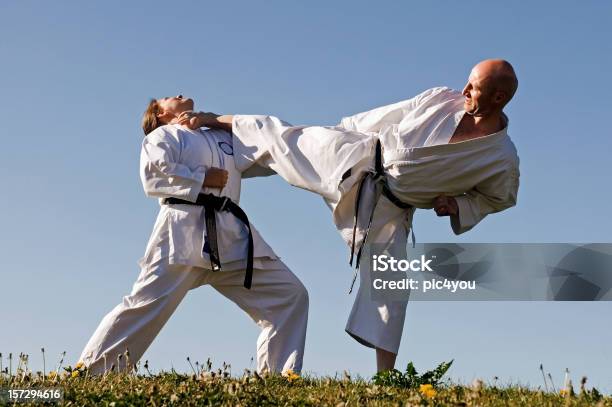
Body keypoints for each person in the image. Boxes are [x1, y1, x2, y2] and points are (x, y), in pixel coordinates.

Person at [178, 59, 520, 372]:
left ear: (499, 97)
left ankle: (386, 378)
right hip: (356, 157)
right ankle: (214, 130)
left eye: (474, 88)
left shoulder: (501, 159)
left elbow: (499, 198)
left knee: (391, 287)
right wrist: (341, 130)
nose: (465, 91)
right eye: (468, 82)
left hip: (389, 208)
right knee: (282, 139)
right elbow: (390, 115)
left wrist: (459, 205)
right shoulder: (440, 100)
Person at [77, 95, 309, 375]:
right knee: (144, 305)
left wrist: (216, 120)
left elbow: (269, 145)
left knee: (290, 295)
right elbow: (153, 176)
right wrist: (201, 177)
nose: (177, 94)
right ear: (159, 114)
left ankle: (279, 378)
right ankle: (90, 372)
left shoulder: (220, 136)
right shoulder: (163, 136)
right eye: (166, 97)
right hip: (182, 232)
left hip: (230, 237)